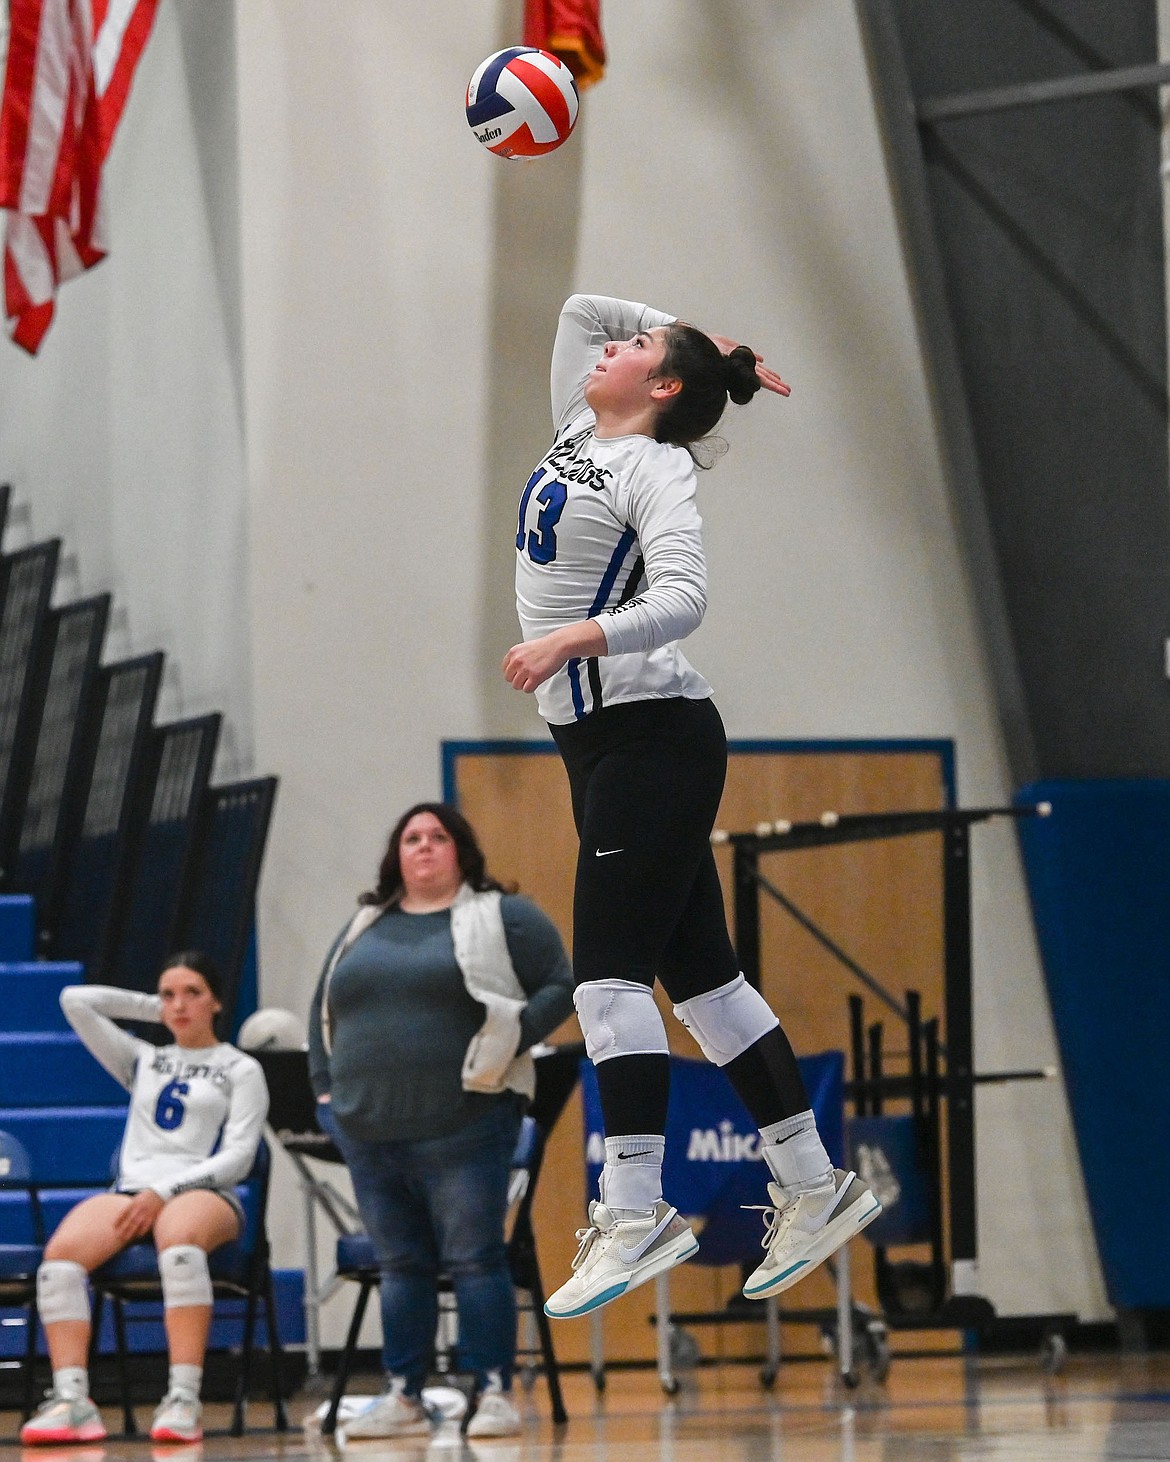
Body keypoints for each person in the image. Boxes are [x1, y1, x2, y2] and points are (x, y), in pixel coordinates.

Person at [503, 294, 881, 1320]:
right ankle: (816, 1185)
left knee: (607, 981)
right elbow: (580, 308)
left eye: (637, 350)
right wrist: (707, 343)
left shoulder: (655, 468)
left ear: (660, 389)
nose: (611, 346)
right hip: (597, 747)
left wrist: (568, 640)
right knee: (708, 987)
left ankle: (635, 1209)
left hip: (653, 740)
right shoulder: (583, 421)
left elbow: (682, 600)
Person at [308, 802, 573, 1441]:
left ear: (461, 849)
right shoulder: (363, 926)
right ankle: (403, 1396)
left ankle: (491, 1393)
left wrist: (510, 1042)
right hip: (369, 1130)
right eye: (411, 838)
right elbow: (324, 1012)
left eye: (438, 837)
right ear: (396, 854)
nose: (424, 847)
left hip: (468, 1122)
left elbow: (562, 984)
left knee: (476, 1257)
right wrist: (326, 1095)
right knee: (401, 1264)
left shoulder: (504, 915)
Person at [20, 954, 269, 1446]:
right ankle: (73, 1401)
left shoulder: (240, 1068)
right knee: (59, 1261)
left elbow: (240, 1156)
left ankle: (183, 1398)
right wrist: (154, 1008)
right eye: (168, 994)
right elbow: (76, 1000)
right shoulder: (143, 1059)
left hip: (206, 1191)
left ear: (216, 1001)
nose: (178, 1005)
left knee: (177, 1241)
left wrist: (168, 1191)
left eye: (192, 993)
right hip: (135, 1189)